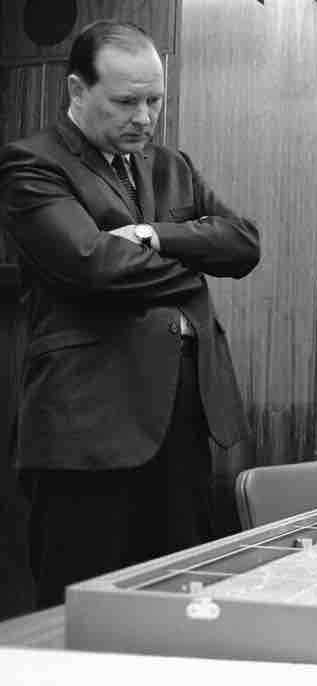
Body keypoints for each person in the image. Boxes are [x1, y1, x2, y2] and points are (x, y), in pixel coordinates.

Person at [0, 21, 259, 607]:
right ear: (76, 90)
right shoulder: (31, 164)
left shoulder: (173, 166)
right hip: (87, 431)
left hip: (183, 423)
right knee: (82, 612)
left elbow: (243, 243)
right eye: (125, 101)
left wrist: (152, 235)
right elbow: (93, 263)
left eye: (155, 99)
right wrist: (194, 260)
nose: (144, 116)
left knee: (174, 604)